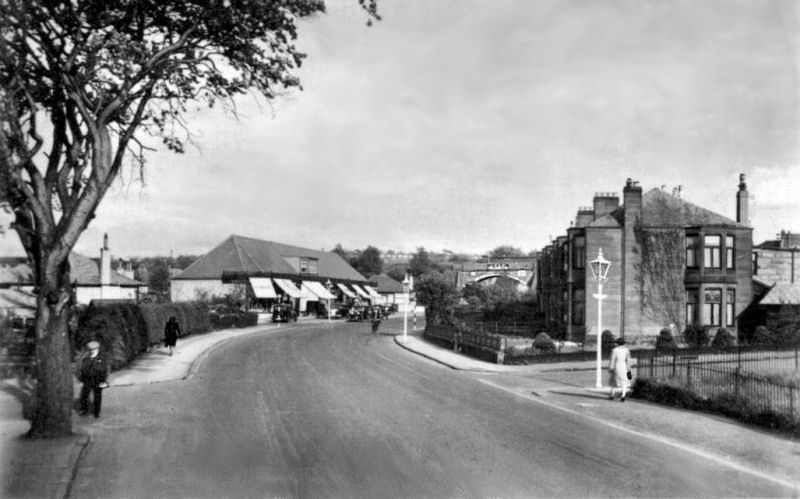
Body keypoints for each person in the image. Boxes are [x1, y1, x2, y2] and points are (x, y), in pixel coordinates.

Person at [77, 340, 109, 418]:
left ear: (97, 349)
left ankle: (96, 412)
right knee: (84, 395)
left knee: (97, 396)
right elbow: (82, 368)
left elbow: (105, 369)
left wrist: (104, 381)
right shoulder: (86, 357)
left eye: (94, 349)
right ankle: (84, 410)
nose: (92, 351)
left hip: (98, 379)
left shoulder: (101, 358)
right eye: (91, 350)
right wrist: (81, 379)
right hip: (87, 379)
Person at [608, 337, 632, 402]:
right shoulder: (627, 350)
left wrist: (610, 368)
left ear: (617, 343)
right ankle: (623, 396)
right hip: (624, 366)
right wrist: (629, 369)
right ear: (623, 343)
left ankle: (612, 395)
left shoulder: (614, 350)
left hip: (616, 366)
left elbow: (612, 360)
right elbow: (628, 360)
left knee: (613, 381)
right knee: (624, 381)